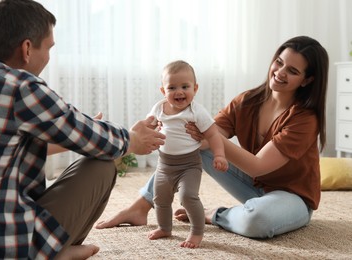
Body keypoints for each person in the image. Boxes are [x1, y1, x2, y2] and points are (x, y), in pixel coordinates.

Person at [0, 0, 165, 259]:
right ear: (27, 49)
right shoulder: (21, 87)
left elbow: (1, 146)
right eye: (49, 48)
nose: (48, 56)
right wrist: (132, 139)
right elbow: (97, 140)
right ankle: (48, 253)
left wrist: (82, 133)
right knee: (104, 161)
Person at [96, 36, 329, 241]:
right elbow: (204, 140)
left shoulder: (305, 119)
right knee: (192, 144)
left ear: (307, 80)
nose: (280, 72)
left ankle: (213, 214)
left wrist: (210, 137)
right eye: (279, 62)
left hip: (291, 197)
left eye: (293, 71)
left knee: (256, 221)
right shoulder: (247, 101)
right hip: (251, 187)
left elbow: (258, 167)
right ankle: (140, 207)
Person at [146, 60, 228, 248]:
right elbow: (148, 126)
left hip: (189, 165)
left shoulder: (196, 111)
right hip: (164, 165)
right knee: (160, 198)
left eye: (185, 86)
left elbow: (213, 134)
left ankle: (197, 232)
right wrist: (150, 133)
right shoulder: (159, 108)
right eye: (172, 87)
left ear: (195, 88)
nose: (179, 92)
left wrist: (220, 155)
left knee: (188, 196)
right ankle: (165, 228)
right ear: (163, 91)